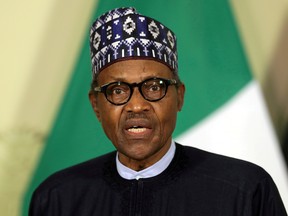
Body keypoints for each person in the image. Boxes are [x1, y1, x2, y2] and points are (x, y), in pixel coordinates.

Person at [29, 7, 287, 216]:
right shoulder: (57, 198)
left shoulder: (245, 190)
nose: (137, 105)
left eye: (154, 87)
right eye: (117, 90)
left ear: (179, 97)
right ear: (97, 105)